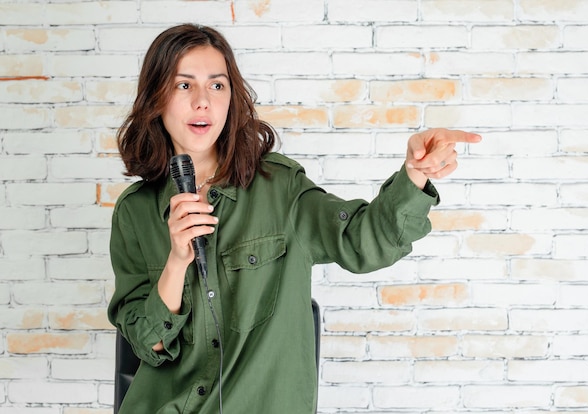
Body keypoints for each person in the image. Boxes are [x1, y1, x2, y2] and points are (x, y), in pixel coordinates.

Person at [107, 23, 481, 414]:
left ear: (231, 98)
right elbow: (146, 344)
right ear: (157, 97)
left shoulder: (280, 188)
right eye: (184, 85)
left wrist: (415, 172)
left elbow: (364, 240)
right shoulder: (135, 212)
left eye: (217, 85)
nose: (203, 101)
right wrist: (177, 262)